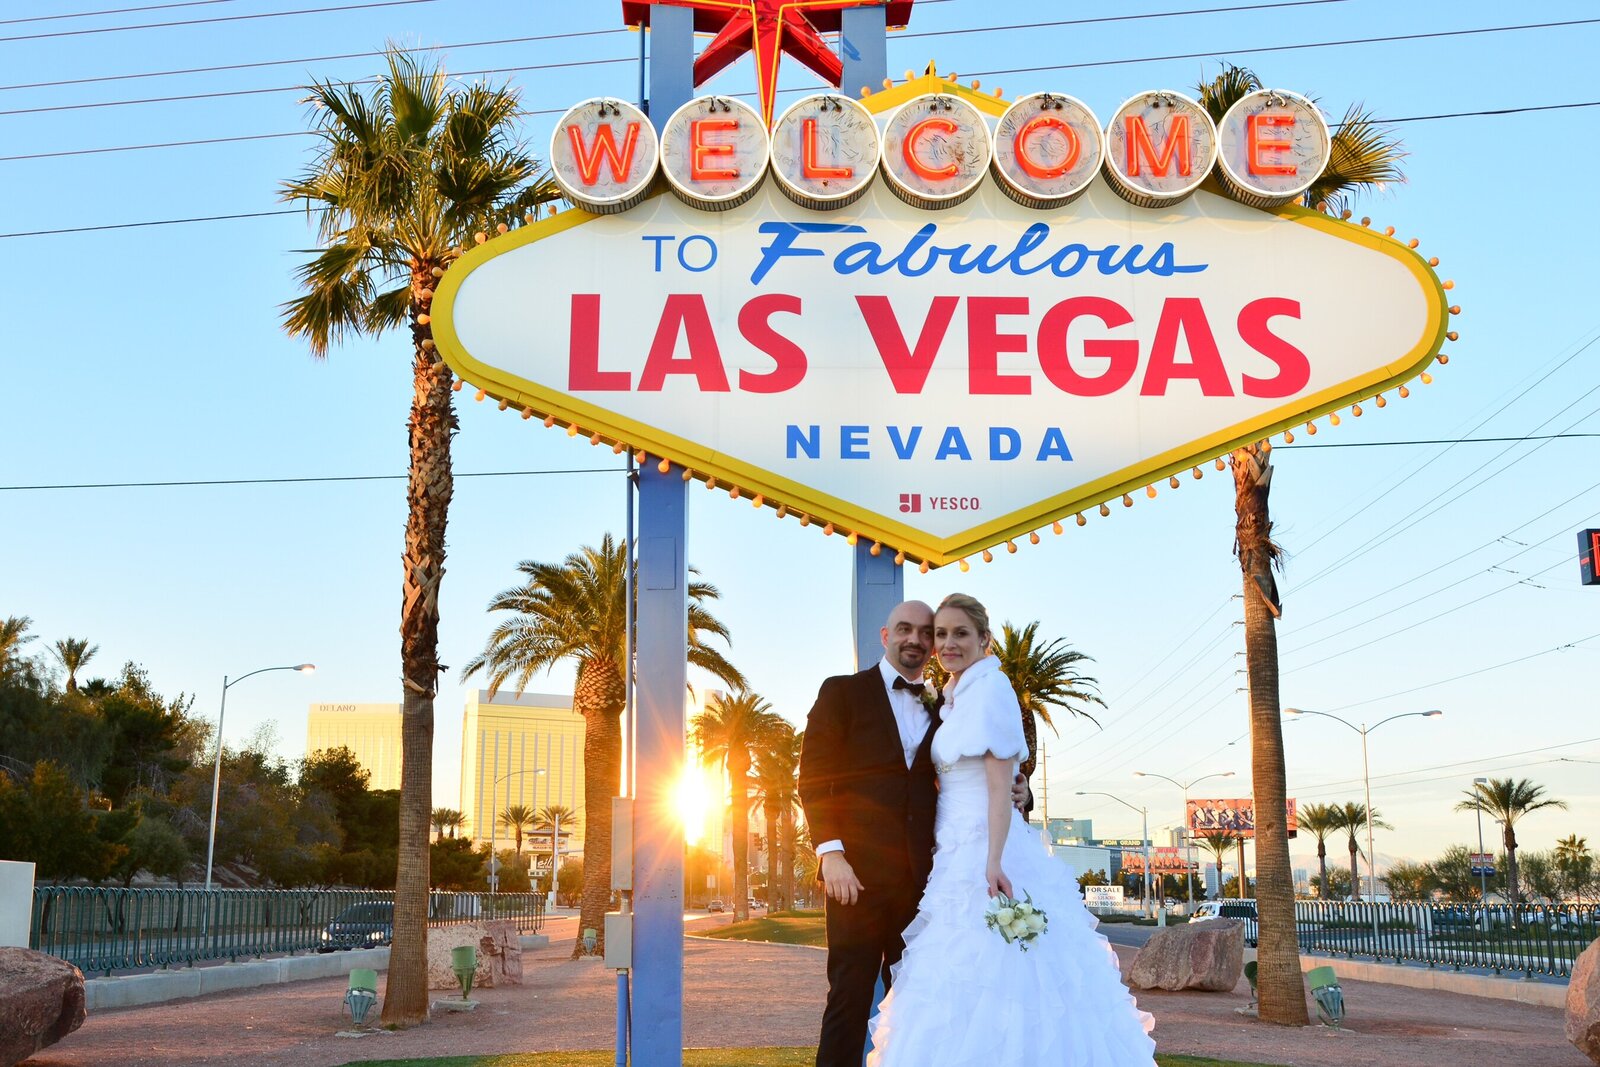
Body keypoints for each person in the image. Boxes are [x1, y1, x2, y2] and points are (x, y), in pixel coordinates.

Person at [867, 593, 1157, 1067]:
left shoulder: (993, 690)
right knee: (956, 981)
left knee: (1002, 977)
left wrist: (993, 861)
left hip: (986, 851)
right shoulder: (958, 695)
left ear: (984, 638)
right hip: (952, 848)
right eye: (941, 634)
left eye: (960, 633)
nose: (948, 643)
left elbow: (1000, 790)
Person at [798, 600, 1028, 1067]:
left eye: (928, 632)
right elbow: (814, 775)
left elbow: (979, 763)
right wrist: (831, 852)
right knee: (849, 996)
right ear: (885, 636)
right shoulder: (842, 693)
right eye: (907, 629)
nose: (918, 640)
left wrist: (1017, 791)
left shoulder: (946, 705)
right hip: (855, 879)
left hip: (925, 886)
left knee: (920, 1005)